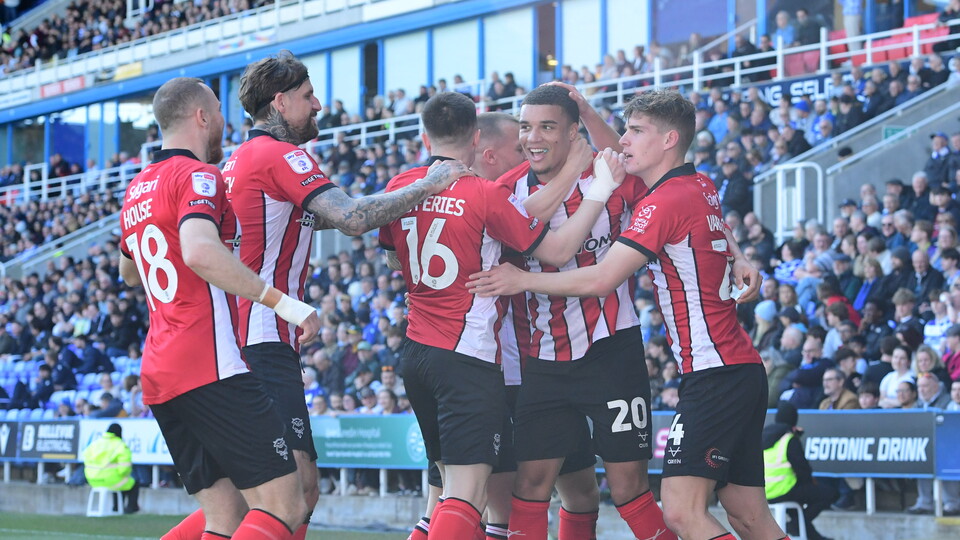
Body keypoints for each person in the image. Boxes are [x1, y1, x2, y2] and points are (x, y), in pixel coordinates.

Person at [468, 89, 774, 540]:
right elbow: (685, 193)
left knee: (641, 491)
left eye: (548, 127)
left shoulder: (620, 178)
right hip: (545, 359)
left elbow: (670, 195)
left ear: (574, 131)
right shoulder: (505, 192)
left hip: (615, 352)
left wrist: (736, 251)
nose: (534, 138)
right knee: (532, 485)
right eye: (526, 128)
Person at [197, 51, 465, 540]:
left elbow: (325, 214)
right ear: (279, 103)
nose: (318, 105)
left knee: (245, 501)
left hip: (237, 338)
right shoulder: (280, 155)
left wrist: (399, 197)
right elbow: (353, 218)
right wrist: (431, 183)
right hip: (261, 338)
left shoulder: (241, 161)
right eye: (307, 96)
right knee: (295, 491)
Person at [379, 91, 621, 539]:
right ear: (475, 139)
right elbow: (557, 248)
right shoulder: (484, 194)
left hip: (416, 350)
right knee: (469, 496)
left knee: (443, 490)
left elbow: (394, 256)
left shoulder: (401, 186)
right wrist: (595, 182)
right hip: (468, 357)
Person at [119, 77, 321, 540]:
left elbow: (130, 272)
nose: (225, 126)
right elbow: (198, 252)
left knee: (226, 515)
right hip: (209, 363)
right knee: (286, 504)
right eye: (219, 114)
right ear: (202, 117)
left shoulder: (137, 188)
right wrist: (284, 304)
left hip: (160, 370)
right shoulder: (199, 175)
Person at [763, 402, 837, 540]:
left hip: (764, 492)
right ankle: (793, 525)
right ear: (793, 421)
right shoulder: (789, 439)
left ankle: (814, 537)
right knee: (829, 493)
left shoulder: (764, 436)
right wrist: (809, 483)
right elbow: (803, 469)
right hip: (785, 490)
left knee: (797, 511)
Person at [82, 423, 139, 514]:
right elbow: (124, 469)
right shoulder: (120, 445)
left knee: (120, 480)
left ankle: (116, 507)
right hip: (110, 480)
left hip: (92, 480)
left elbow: (85, 458)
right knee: (130, 482)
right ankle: (130, 508)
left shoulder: (95, 444)